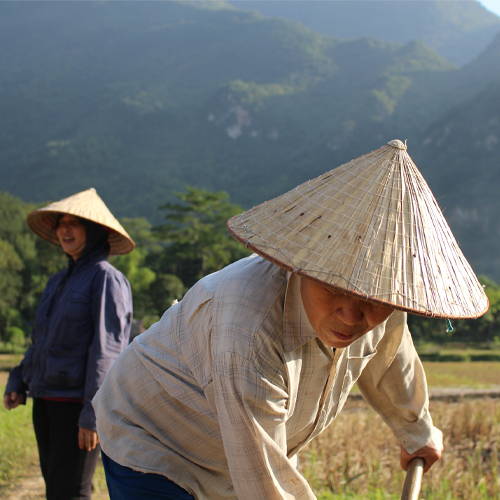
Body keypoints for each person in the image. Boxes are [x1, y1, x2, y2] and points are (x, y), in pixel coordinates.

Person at [93, 140, 488, 500]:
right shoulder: (246, 327)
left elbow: (390, 362)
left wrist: (416, 432)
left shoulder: (385, 295)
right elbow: (266, 485)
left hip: (240, 452)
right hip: (158, 441)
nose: (352, 316)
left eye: (372, 302)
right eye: (335, 289)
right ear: (302, 266)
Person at [3, 188, 135, 500]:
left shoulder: (106, 279)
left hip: (77, 405)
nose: (64, 230)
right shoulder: (57, 281)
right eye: (60, 223)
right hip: (46, 401)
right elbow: (43, 340)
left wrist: (92, 414)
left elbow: (108, 351)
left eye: (74, 223)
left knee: (72, 491)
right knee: (56, 488)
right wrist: (19, 378)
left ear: (93, 230)